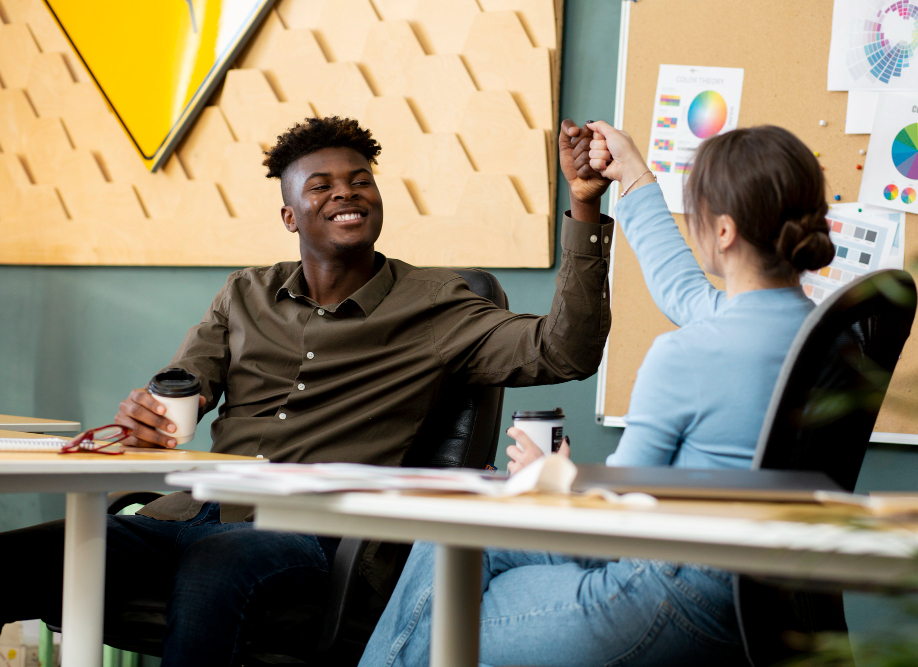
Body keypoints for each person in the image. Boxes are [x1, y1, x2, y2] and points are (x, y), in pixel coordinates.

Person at [0, 116, 614, 666]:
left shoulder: (438, 306)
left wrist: (584, 209)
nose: (346, 191)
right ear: (290, 215)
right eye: (320, 185)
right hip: (187, 515)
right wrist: (149, 413)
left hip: (311, 536)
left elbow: (564, 350)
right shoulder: (246, 294)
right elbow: (185, 385)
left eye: (361, 180)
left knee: (218, 566)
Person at [358, 122, 836, 667]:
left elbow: (615, 530)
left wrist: (554, 481)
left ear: (722, 232)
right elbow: (679, 289)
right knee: (460, 531)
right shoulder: (824, 334)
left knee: (441, 615)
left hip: (667, 592)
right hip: (764, 595)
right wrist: (632, 173)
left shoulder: (688, 354)